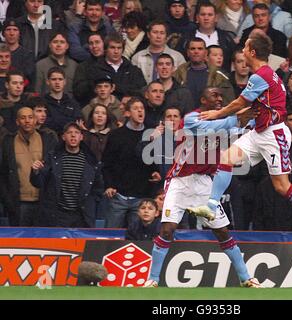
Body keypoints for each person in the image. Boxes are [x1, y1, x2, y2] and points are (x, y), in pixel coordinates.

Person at [188, 31, 292, 245]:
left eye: (245, 47)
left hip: (274, 135)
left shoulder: (261, 76)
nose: (243, 50)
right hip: (260, 132)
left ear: (252, 52)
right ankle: (211, 206)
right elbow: (263, 105)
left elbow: (239, 103)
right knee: (226, 159)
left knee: (282, 187)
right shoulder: (267, 74)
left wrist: (216, 114)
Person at [143, 86, 262, 288]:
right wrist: (238, 116)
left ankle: (246, 278)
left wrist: (255, 112)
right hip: (180, 181)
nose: (219, 99)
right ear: (202, 99)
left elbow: (244, 127)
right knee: (167, 229)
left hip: (206, 183)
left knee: (222, 232)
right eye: (214, 95)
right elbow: (215, 127)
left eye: (221, 96)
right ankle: (152, 280)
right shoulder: (190, 119)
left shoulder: (224, 121)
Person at [102, 97, 161, 228]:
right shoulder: (116, 135)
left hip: (141, 198)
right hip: (119, 196)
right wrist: (109, 185)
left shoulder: (152, 134)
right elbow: (107, 164)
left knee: (137, 239)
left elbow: (154, 162)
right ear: (127, 113)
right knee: (111, 237)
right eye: (135, 108)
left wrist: (155, 172)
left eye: (142, 109)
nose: (140, 111)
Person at [30, 122, 103, 228]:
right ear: (63, 137)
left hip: (81, 216)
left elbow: (98, 187)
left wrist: (91, 204)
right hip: (57, 215)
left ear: (81, 137)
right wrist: (35, 171)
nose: (73, 135)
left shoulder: (91, 161)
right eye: (69, 132)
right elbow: (38, 183)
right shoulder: (53, 157)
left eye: (76, 132)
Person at [0, 107, 57, 226]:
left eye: (30, 117)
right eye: (23, 118)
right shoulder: (8, 141)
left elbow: (54, 170)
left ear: (35, 120)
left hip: (42, 203)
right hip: (18, 204)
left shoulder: (47, 139)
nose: (27, 121)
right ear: (17, 122)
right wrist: (8, 200)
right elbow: (3, 173)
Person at [35, 32, 78, 96]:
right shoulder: (40, 65)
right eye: (55, 42)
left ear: (67, 46)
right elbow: (37, 90)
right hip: (46, 104)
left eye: (62, 42)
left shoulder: (74, 65)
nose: (58, 45)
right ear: (50, 45)